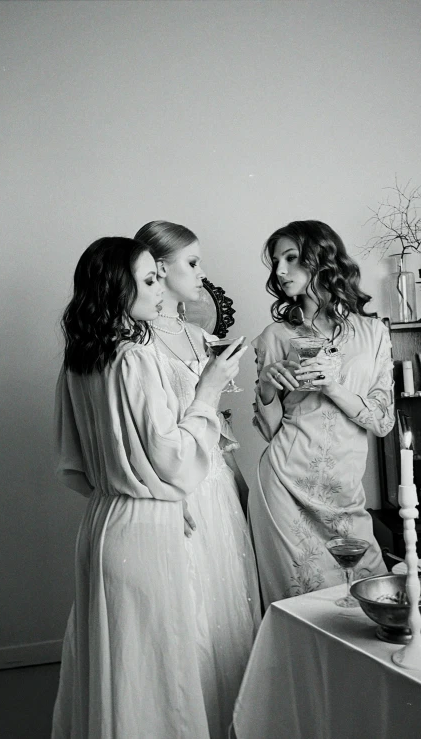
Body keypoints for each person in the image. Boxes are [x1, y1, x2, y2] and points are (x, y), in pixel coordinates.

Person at [52, 235, 258, 739]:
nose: (159, 290)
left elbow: (73, 465)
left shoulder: (78, 361)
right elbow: (172, 458)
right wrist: (209, 389)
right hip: (147, 531)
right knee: (161, 673)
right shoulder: (134, 357)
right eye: (147, 281)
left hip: (102, 523)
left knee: (119, 666)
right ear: (116, 290)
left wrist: (147, 493)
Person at [133, 220, 261, 735]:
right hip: (175, 488)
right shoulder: (136, 342)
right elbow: (149, 433)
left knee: (227, 604)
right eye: (193, 263)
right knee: (187, 612)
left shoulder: (196, 334)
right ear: (159, 269)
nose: (202, 273)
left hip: (215, 486)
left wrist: (233, 471)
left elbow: (214, 423)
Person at [250, 220, 394, 608]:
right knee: (305, 609)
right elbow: (271, 430)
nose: (280, 272)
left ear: (323, 259)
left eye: (291, 258)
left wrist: (333, 386)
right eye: (276, 261)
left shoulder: (373, 334)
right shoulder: (274, 336)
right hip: (284, 485)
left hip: (345, 492)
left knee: (374, 600)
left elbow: (382, 421)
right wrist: (266, 388)